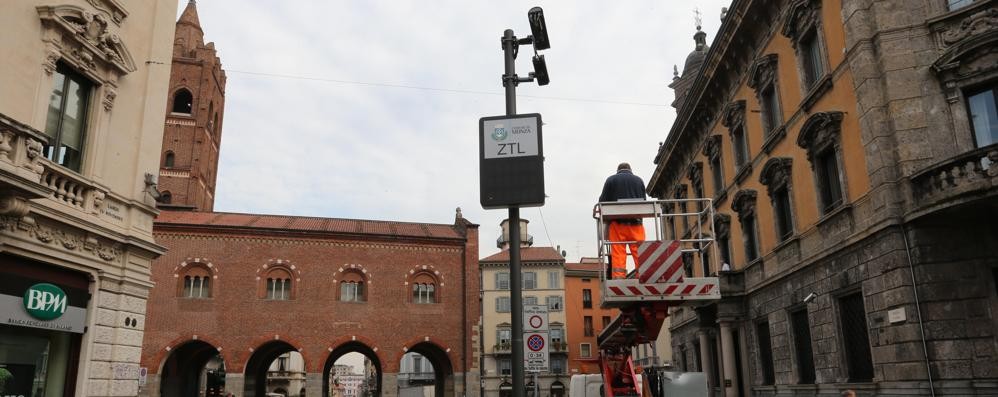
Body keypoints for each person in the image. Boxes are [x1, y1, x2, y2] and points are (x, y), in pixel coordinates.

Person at [598, 162, 647, 279]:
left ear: (618, 170)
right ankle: (643, 276)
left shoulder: (611, 180)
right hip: (636, 225)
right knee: (639, 252)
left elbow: (602, 202)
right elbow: (644, 201)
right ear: (630, 169)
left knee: (619, 253)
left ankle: (619, 278)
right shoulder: (639, 181)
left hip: (617, 224)